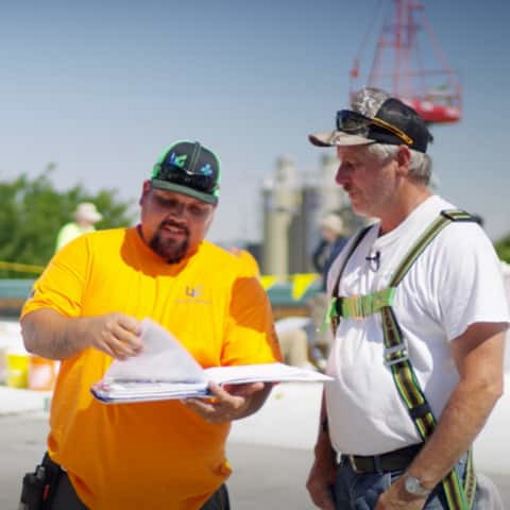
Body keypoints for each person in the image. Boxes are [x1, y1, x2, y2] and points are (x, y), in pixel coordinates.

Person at [20, 140, 281, 509]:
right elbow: (35, 331)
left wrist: (240, 405)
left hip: (194, 498)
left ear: (212, 213)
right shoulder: (90, 252)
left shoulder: (236, 279)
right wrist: (88, 330)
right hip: (79, 492)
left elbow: (257, 375)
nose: (180, 215)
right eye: (168, 201)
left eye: (195, 208)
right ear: (145, 194)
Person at [305, 87, 509, 509]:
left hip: (419, 488)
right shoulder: (352, 251)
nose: (339, 180)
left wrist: (412, 490)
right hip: (350, 479)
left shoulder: (455, 242)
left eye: (352, 165)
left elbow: (484, 382)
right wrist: (323, 458)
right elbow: (341, 365)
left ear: (400, 161)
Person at [312, 213, 348, 290]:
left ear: (334, 230)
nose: (324, 233)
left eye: (326, 230)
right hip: (327, 282)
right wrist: (321, 271)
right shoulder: (324, 244)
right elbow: (315, 257)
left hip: (339, 283)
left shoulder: (344, 243)